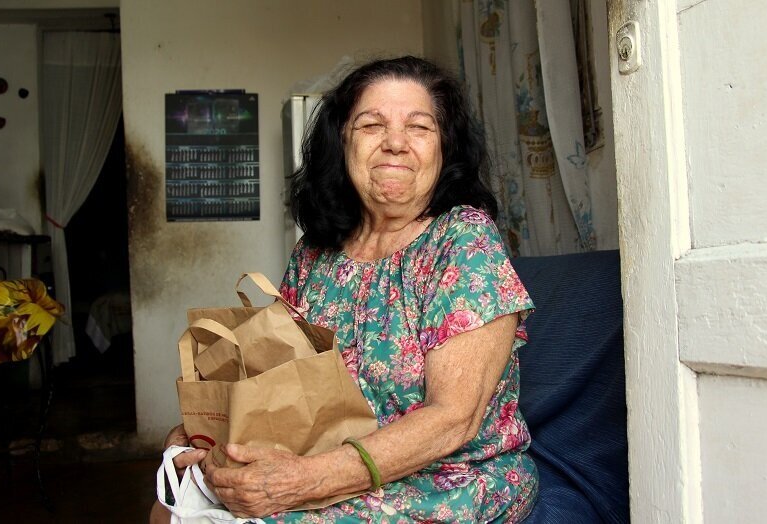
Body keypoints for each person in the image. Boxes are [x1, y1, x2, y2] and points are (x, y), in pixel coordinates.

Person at [153, 56, 538, 523]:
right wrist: (203, 435)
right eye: (371, 125)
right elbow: (276, 385)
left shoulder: (462, 240)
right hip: (326, 458)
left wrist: (304, 481)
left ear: (445, 148)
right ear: (343, 143)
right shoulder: (316, 253)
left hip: (450, 476)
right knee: (173, 504)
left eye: (419, 127)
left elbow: (452, 419)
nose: (395, 143)